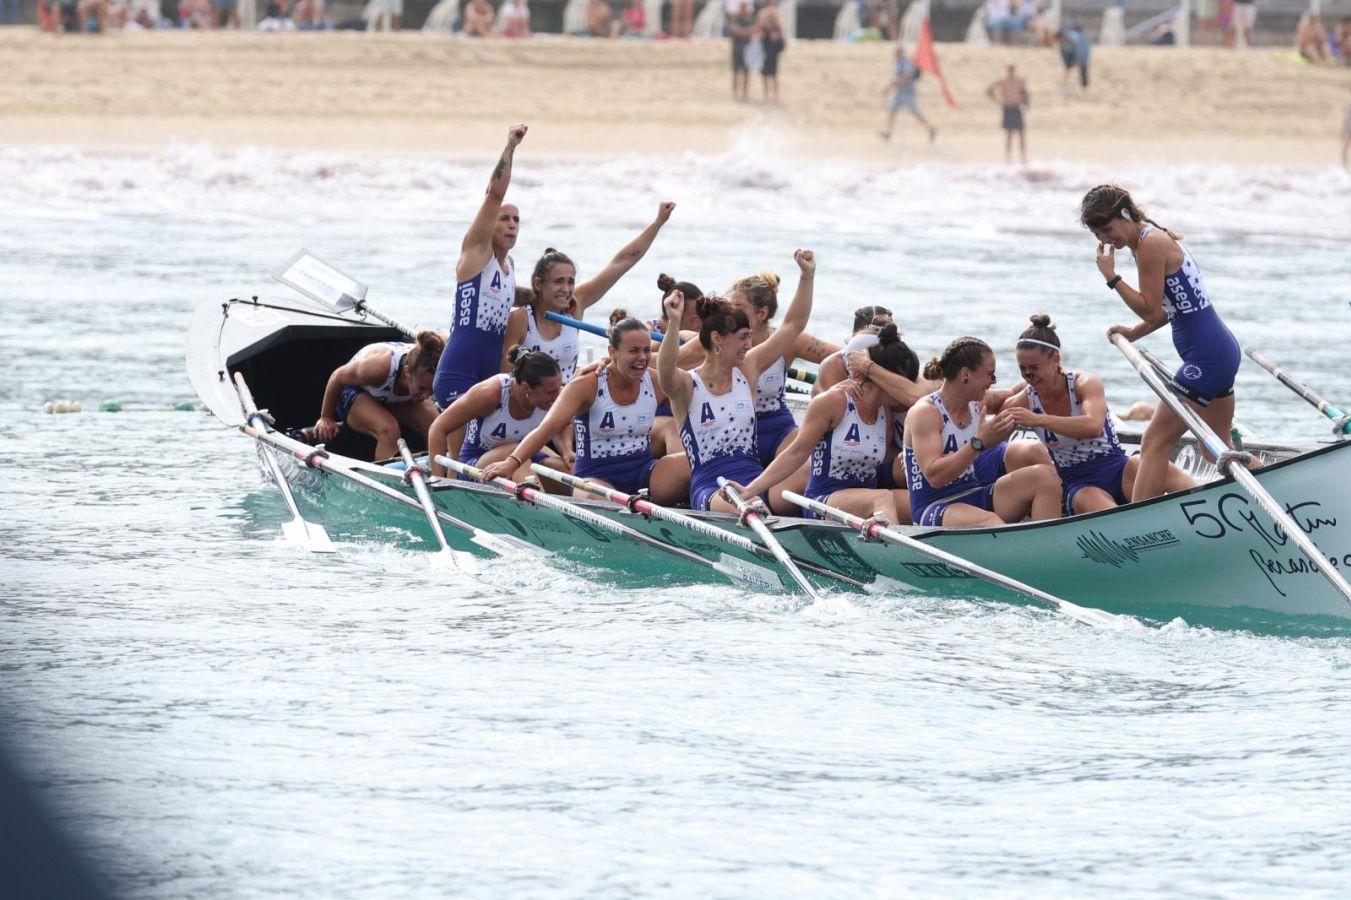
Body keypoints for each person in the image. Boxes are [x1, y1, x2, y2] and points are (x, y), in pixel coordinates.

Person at [1081, 184, 1247, 502]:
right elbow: (1168, 310)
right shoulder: (1148, 240)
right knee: (1215, 450)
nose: (1104, 241)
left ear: (1125, 215)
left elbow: (1150, 307)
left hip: (1207, 359)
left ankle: (1137, 521)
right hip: (1219, 351)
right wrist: (1134, 332)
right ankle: (1269, 485)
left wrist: (1112, 278)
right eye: (1097, 236)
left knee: (1154, 442)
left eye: (1106, 230)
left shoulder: (1150, 244)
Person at [656, 249, 817, 514]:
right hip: (711, 487)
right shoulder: (685, 385)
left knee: (812, 469)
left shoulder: (747, 370)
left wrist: (807, 276)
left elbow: (793, 325)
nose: (749, 344)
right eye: (743, 337)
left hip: (753, 484)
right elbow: (665, 367)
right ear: (718, 339)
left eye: (749, 337)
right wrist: (673, 322)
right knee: (750, 509)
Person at [481, 318, 691, 503]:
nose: (643, 358)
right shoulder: (586, 384)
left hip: (643, 473)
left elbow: (703, 389)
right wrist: (511, 463)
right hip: (596, 478)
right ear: (612, 352)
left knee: (693, 464)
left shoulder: (655, 381)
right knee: (598, 496)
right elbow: (547, 428)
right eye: (634, 351)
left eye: (647, 350)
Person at [1002, 315, 1193, 514]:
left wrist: (1038, 419)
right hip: (1078, 485)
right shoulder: (1023, 401)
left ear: (1055, 360)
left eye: (1034, 368)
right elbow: (989, 424)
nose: (1028, 375)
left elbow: (1093, 427)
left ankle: (1207, 503)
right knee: (1094, 500)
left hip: (1117, 469)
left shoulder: (1085, 383)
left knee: (1146, 463)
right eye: (1022, 369)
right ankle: (1133, 530)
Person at [731, 323, 919, 525]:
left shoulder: (885, 413)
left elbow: (882, 459)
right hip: (824, 499)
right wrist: (750, 490)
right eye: (900, 383)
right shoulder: (833, 402)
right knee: (883, 499)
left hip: (863, 498)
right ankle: (893, 553)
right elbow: (796, 453)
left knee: (918, 504)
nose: (902, 393)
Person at [501, 202, 675, 383]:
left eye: (571, 282)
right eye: (558, 281)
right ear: (538, 283)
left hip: (566, 402)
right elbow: (506, 378)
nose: (566, 289)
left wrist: (658, 222)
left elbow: (621, 262)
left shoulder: (575, 307)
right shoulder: (521, 320)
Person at [433, 124, 527, 460]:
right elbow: (494, 195)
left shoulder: (509, 266)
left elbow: (514, 297)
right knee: (460, 463)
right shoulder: (475, 254)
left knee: (479, 459)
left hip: (492, 372)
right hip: (460, 369)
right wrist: (510, 147)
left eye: (517, 220)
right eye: (504, 219)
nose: (512, 225)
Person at [903, 337, 1063, 526]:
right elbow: (935, 477)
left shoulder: (976, 402)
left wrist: (1046, 379)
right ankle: (1034, 552)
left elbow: (1010, 395)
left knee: (1046, 477)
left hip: (973, 492)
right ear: (965, 375)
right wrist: (979, 443)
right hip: (935, 505)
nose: (992, 382)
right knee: (991, 521)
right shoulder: (926, 413)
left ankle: (1050, 542)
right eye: (990, 375)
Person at [720, 268, 840, 465]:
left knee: (808, 465)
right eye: (728, 306)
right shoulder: (718, 340)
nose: (730, 313)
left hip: (779, 430)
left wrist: (824, 384)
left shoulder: (786, 341)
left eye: (738, 307)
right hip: (735, 432)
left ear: (762, 313)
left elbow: (844, 357)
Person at [427, 347, 564, 480]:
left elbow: (563, 427)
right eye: (551, 392)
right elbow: (437, 428)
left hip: (520, 458)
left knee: (569, 468)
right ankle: (536, 500)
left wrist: (567, 450)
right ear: (526, 388)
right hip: (476, 463)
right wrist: (439, 483)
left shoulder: (556, 394)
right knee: (515, 455)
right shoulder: (490, 393)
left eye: (560, 388)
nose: (557, 396)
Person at [313, 331, 446, 461]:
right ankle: (390, 479)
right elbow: (337, 376)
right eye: (422, 388)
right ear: (407, 372)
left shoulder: (429, 364)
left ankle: (438, 471)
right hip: (355, 392)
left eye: (432, 389)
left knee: (436, 426)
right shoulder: (378, 368)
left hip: (388, 397)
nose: (427, 395)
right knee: (389, 429)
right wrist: (326, 417)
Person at [880, 44, 937, 143]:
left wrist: (892, 84)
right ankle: (888, 132)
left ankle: (930, 128)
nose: (894, 54)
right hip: (900, 92)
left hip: (908, 92)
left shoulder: (905, 63)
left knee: (915, 112)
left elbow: (906, 78)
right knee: (892, 109)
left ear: (900, 52)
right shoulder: (898, 63)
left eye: (896, 52)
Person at [986, 63, 1029, 164]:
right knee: (1009, 134)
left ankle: (1023, 159)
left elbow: (1025, 93)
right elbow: (988, 91)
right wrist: (998, 100)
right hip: (1007, 107)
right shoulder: (1002, 80)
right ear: (1006, 69)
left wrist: (1026, 105)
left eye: (1012, 69)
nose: (1011, 71)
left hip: (1017, 108)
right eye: (1009, 69)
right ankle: (1008, 159)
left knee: (1021, 133)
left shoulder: (1020, 81)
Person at [757, 0, 786, 102]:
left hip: (772, 54)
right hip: (765, 53)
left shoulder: (777, 29)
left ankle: (775, 95)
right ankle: (766, 95)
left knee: (773, 75)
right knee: (765, 75)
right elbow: (759, 39)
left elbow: (782, 43)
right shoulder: (763, 29)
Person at [729, 1, 756, 102]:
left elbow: (755, 31)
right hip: (737, 49)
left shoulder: (749, 20)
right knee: (736, 72)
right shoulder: (735, 19)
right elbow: (736, 31)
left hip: (747, 49)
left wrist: (745, 32)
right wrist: (748, 32)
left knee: (746, 72)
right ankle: (735, 94)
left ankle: (745, 94)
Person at [1057, 22, 1091, 93]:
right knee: (1067, 68)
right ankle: (1064, 85)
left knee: (1083, 69)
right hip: (1072, 52)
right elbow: (1063, 53)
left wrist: (1078, 61)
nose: (1059, 41)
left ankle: (1085, 87)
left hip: (1082, 52)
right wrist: (1067, 63)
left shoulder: (1074, 39)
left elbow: (1082, 50)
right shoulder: (1063, 42)